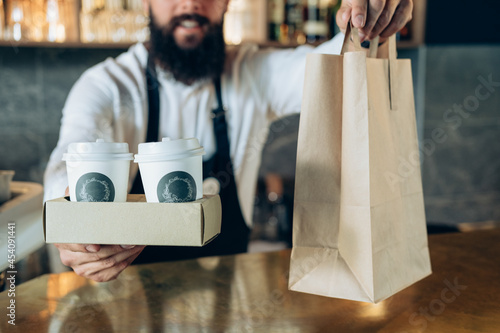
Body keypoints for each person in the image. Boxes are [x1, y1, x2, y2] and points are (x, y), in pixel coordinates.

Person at [44, 0, 413, 282]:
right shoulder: (107, 86)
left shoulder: (251, 73)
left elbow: (332, 62)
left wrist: (369, 24)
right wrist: (74, 228)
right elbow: (69, 159)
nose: (191, 5)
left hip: (230, 302)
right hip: (128, 304)